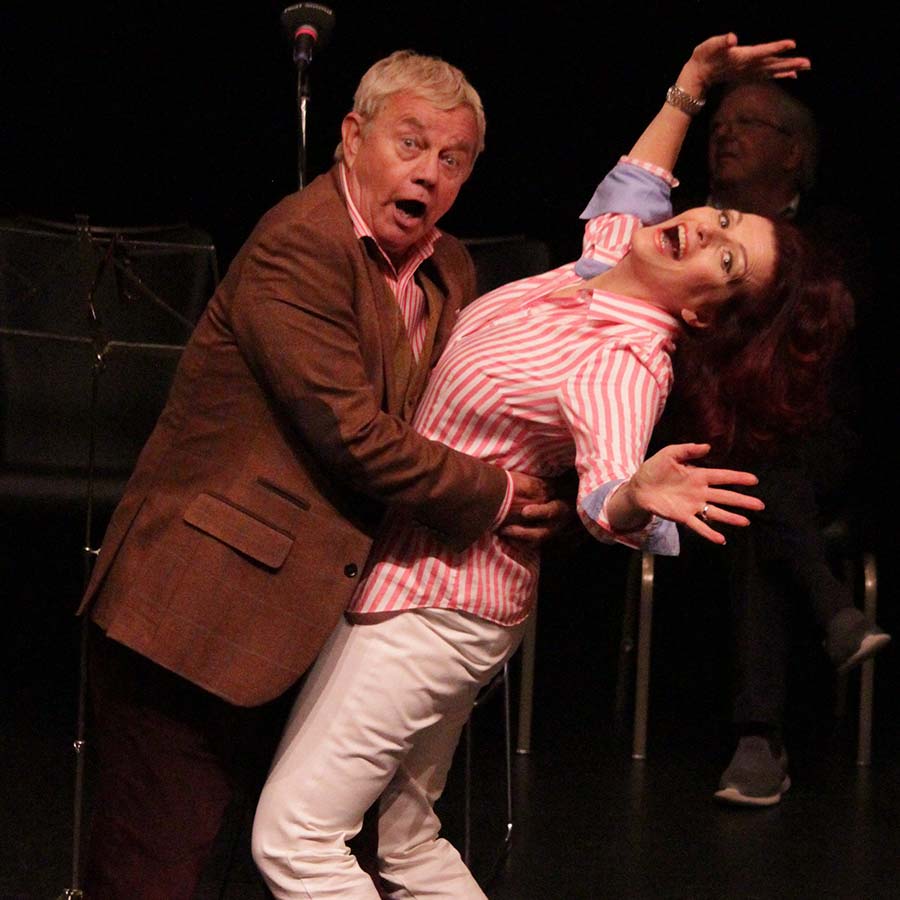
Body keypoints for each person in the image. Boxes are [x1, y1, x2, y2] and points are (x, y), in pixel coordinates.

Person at [251, 34, 825, 899]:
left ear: (707, 315)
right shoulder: (601, 269)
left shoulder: (625, 361)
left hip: (438, 609)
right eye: (722, 218)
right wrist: (690, 88)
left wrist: (634, 495)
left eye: (727, 258)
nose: (706, 227)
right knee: (407, 842)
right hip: (426, 586)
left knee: (294, 839)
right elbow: (636, 184)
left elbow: (601, 497)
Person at [77, 50, 570, 899]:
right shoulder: (299, 245)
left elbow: (460, 414)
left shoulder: (451, 269)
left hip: (319, 615)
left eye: (452, 160)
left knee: (263, 856)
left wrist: (552, 484)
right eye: (409, 144)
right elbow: (354, 436)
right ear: (351, 137)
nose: (429, 173)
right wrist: (493, 497)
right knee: (153, 863)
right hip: (197, 610)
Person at [669, 79, 890, 806]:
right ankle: (830, 613)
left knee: (758, 474)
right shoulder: (684, 229)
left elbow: (830, 342)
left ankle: (757, 737)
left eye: (747, 124)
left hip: (817, 435)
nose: (722, 135)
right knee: (749, 477)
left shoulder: (841, 235)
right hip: (710, 436)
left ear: (794, 152)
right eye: (719, 124)